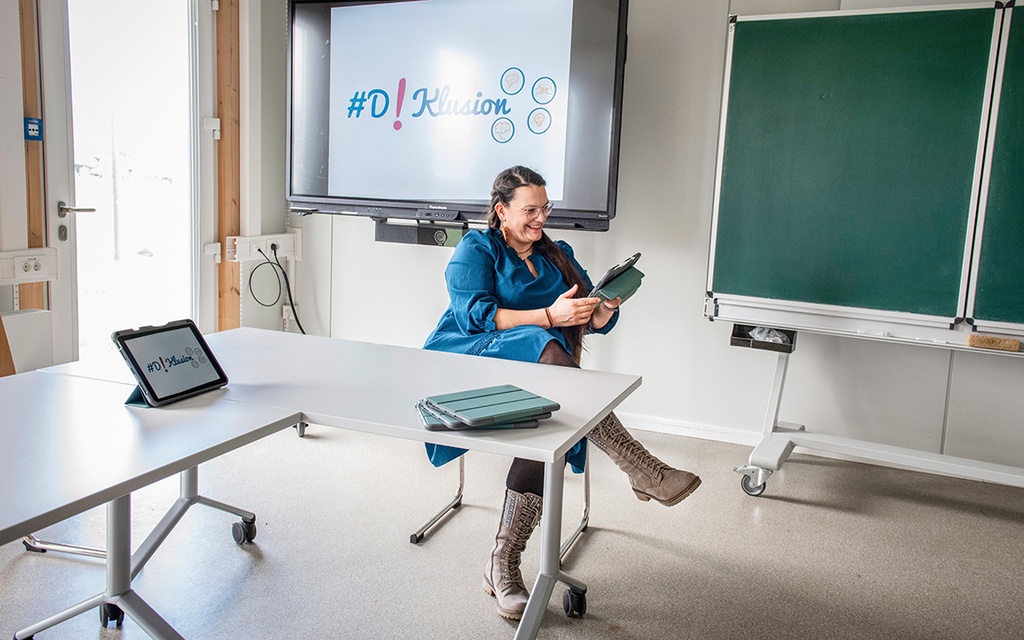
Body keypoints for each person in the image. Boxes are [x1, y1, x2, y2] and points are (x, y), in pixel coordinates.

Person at [423, 165, 701, 620]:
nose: (540, 218)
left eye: (544, 208)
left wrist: (603, 305)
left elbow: (591, 319)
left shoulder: (559, 252)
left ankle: (502, 564)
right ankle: (639, 466)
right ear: (501, 211)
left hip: (539, 372)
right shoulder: (475, 249)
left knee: (548, 414)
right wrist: (550, 317)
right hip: (469, 360)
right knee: (545, 346)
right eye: (529, 210)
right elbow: (475, 318)